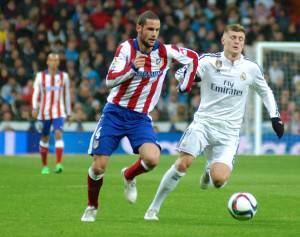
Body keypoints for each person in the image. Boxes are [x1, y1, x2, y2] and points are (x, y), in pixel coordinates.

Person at [144, 24, 284, 221]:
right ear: (223, 40)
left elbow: (265, 91)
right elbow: (180, 74)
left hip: (229, 133)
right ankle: (153, 208)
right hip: (204, 124)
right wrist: (193, 77)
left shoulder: (250, 68)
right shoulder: (208, 61)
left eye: (240, 39)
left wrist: (275, 116)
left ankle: (209, 171)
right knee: (183, 163)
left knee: (218, 180)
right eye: (233, 37)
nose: (237, 42)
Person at [80, 10, 198, 222]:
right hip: (114, 113)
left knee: (152, 159)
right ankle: (92, 206)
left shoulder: (165, 52)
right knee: (99, 167)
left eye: (157, 30)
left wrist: (186, 84)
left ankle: (128, 175)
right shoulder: (125, 49)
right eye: (150, 29)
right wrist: (132, 69)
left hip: (140, 117)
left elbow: (192, 57)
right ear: (139, 28)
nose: (154, 34)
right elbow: (109, 81)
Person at [32, 53, 72, 175]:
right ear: (47, 62)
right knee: (45, 138)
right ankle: (44, 166)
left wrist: (68, 112)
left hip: (59, 111)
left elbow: (67, 95)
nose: (54, 62)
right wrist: (34, 108)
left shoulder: (64, 76)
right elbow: (35, 93)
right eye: (52, 60)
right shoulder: (40, 76)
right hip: (44, 112)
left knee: (58, 134)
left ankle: (59, 164)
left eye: (56, 60)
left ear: (58, 62)